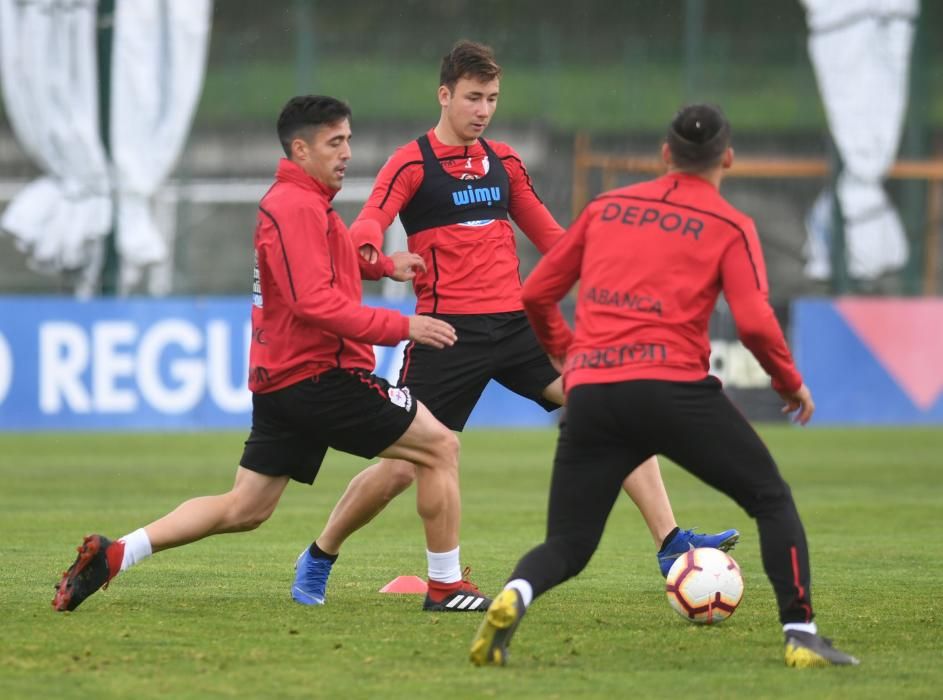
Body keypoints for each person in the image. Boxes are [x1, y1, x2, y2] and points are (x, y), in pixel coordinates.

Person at [291, 40, 737, 611]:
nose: (483, 109)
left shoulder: (503, 162)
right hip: (447, 336)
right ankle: (321, 554)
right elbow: (363, 233)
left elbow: (557, 241)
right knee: (403, 468)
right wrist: (380, 260)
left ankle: (670, 544)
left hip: (518, 328)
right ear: (444, 95)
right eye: (473, 98)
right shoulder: (411, 162)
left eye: (493, 99)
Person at [52, 95, 491, 614]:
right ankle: (444, 587)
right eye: (335, 142)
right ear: (300, 149)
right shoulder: (296, 206)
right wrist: (402, 325)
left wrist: (378, 267)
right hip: (320, 378)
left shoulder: (301, 203)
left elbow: (319, 262)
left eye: (347, 139)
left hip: (284, 382)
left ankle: (118, 552)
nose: (347, 152)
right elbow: (314, 301)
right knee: (441, 446)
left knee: (246, 507)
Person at [469, 104, 860, 668]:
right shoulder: (730, 225)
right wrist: (789, 381)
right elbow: (753, 322)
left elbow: (535, 293)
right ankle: (801, 635)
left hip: (595, 392)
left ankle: (513, 597)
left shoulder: (606, 208)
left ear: (664, 154)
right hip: (673, 388)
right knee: (770, 498)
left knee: (569, 545)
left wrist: (568, 353)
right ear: (726, 157)